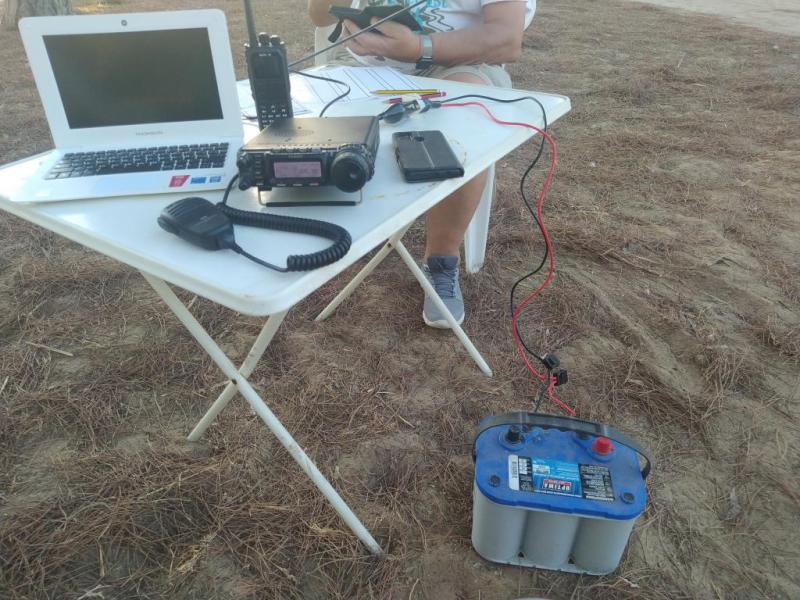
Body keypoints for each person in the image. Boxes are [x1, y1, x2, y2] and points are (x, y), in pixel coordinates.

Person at [307, 0, 535, 328]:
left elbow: (506, 38)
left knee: (464, 124)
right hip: (362, 62)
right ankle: (325, 235)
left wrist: (418, 48)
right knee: (306, 120)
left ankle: (441, 259)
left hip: (458, 62)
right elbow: (319, 17)